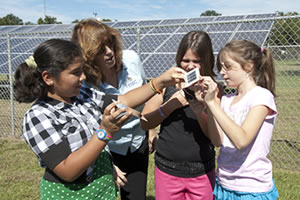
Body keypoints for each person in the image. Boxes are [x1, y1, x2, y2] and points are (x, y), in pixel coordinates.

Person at [13, 38, 186, 200]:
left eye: (81, 71)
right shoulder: (38, 117)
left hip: (101, 189)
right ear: (48, 78)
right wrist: (105, 132)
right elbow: (68, 170)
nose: (82, 77)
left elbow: (123, 100)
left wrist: (160, 82)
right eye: (75, 73)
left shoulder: (82, 95)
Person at [71, 18, 156, 200]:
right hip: (105, 149)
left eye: (110, 44)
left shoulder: (132, 59)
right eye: (101, 49)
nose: (109, 52)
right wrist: (107, 164)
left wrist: (150, 127)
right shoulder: (83, 83)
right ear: (88, 54)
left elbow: (148, 91)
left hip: (136, 143)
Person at [198, 40, 279, 199]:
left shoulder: (261, 97)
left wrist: (212, 104)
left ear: (248, 66)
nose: (222, 72)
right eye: (220, 67)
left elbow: (241, 140)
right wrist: (208, 105)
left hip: (251, 188)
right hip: (224, 184)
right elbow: (217, 141)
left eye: (228, 66)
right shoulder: (227, 100)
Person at [140, 31, 217, 200]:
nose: (190, 66)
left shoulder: (214, 89)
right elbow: (145, 122)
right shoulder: (166, 84)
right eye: (185, 60)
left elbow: (214, 137)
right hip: (167, 170)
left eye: (196, 61)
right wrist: (170, 106)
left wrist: (200, 109)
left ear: (207, 60)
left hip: (201, 171)